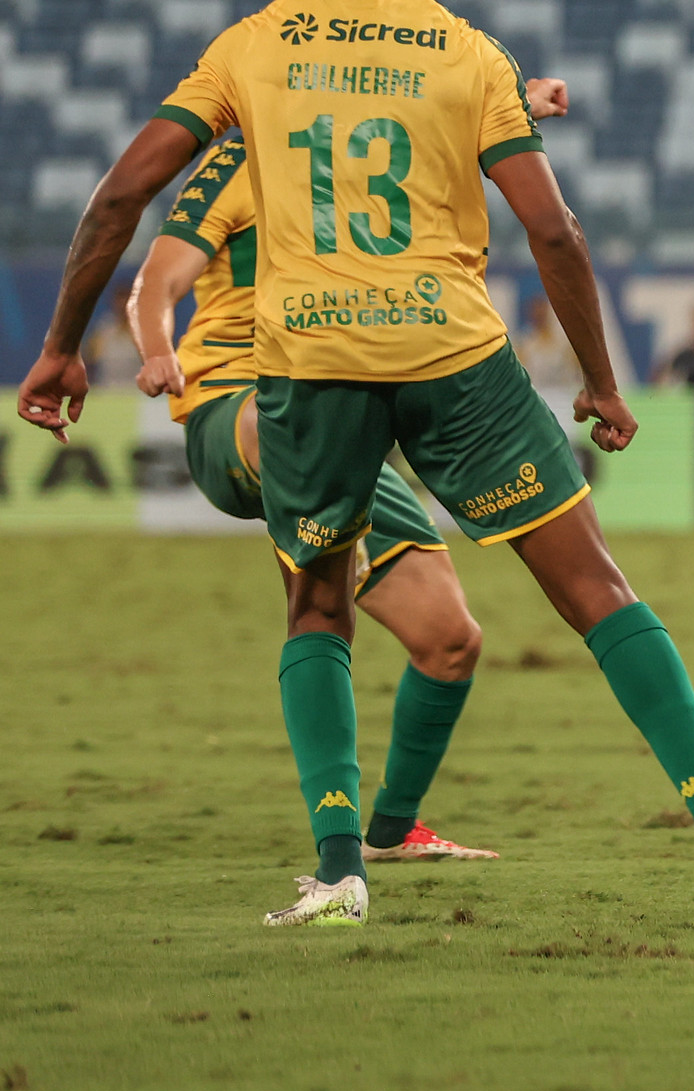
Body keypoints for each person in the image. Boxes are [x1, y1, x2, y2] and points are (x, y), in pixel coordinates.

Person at [18, 0, 694, 930]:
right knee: (597, 589)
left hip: (308, 366)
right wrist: (599, 379)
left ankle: (337, 870)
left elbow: (121, 194)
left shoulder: (255, 43)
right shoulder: (466, 52)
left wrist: (63, 344)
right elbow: (551, 225)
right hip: (450, 354)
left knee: (317, 603)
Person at [121, 78, 569, 863]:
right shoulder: (239, 163)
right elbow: (156, 278)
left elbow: (436, 118)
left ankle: (393, 831)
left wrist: (519, 97)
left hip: (339, 422)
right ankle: (324, 521)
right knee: (285, 423)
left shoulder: (360, 150)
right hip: (237, 411)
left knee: (450, 640)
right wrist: (158, 348)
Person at [513, 292, 584, 389]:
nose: (540, 313)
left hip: (565, 397)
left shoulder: (566, 342)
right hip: (538, 397)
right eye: (536, 309)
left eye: (543, 309)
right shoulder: (523, 344)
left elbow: (580, 372)